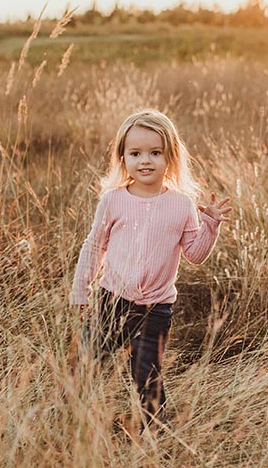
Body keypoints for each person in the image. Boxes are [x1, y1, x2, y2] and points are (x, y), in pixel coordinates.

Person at [70, 108, 231, 430]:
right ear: (123, 158)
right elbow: (94, 246)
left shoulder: (181, 204)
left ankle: (155, 434)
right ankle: (66, 420)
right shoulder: (113, 201)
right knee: (85, 366)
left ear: (170, 157)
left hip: (155, 310)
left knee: (147, 378)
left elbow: (195, 255)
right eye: (136, 153)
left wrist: (210, 226)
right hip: (111, 302)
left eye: (155, 152)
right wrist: (80, 291)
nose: (145, 160)